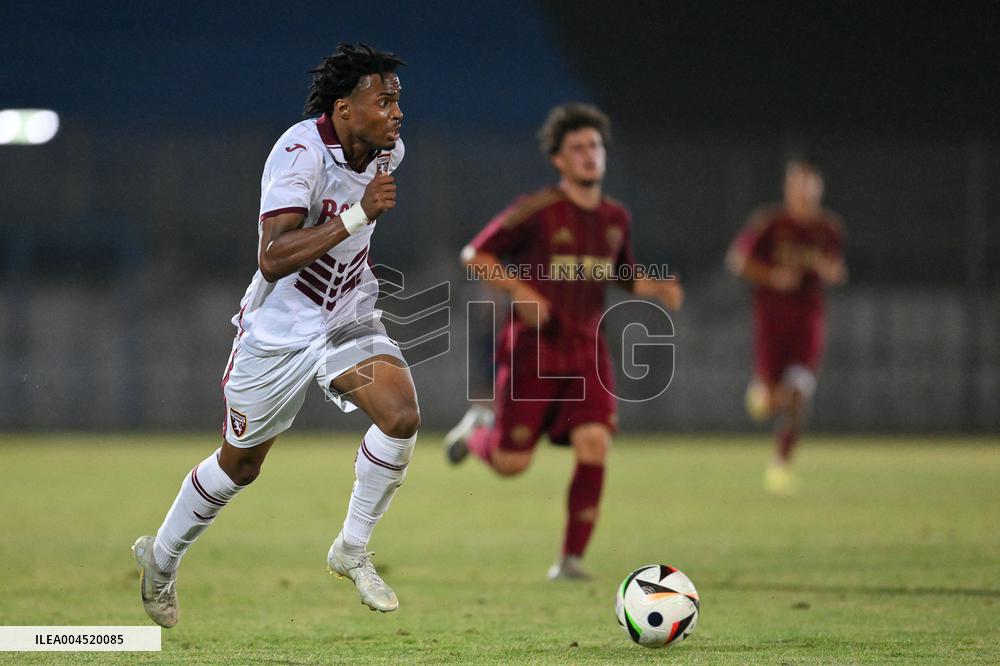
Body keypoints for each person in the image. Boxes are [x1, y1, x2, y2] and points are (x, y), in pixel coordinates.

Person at [132, 43, 417, 626]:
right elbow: (272, 256)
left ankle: (351, 548)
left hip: (346, 312)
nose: (396, 113)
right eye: (383, 101)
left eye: (398, 100)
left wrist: (360, 218)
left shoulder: (390, 152)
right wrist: (360, 214)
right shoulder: (298, 152)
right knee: (240, 466)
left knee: (400, 414)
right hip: (279, 328)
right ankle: (162, 559)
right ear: (344, 108)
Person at [445, 103, 684, 580]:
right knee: (512, 464)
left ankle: (570, 561)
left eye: (595, 146)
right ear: (559, 159)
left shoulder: (616, 217)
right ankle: (478, 433)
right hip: (532, 352)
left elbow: (621, 275)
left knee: (594, 443)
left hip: (586, 353)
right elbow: (476, 254)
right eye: (578, 148)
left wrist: (656, 287)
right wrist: (520, 290)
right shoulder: (538, 210)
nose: (589, 155)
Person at [726, 159, 846, 495]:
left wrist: (829, 271)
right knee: (770, 400)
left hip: (809, 319)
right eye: (799, 185)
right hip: (771, 320)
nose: (805, 193)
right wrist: (773, 277)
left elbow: (837, 269)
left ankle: (781, 463)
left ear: (819, 189)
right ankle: (762, 395)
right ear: (788, 189)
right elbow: (738, 260)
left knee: (799, 393)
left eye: (811, 185)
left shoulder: (828, 228)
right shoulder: (770, 223)